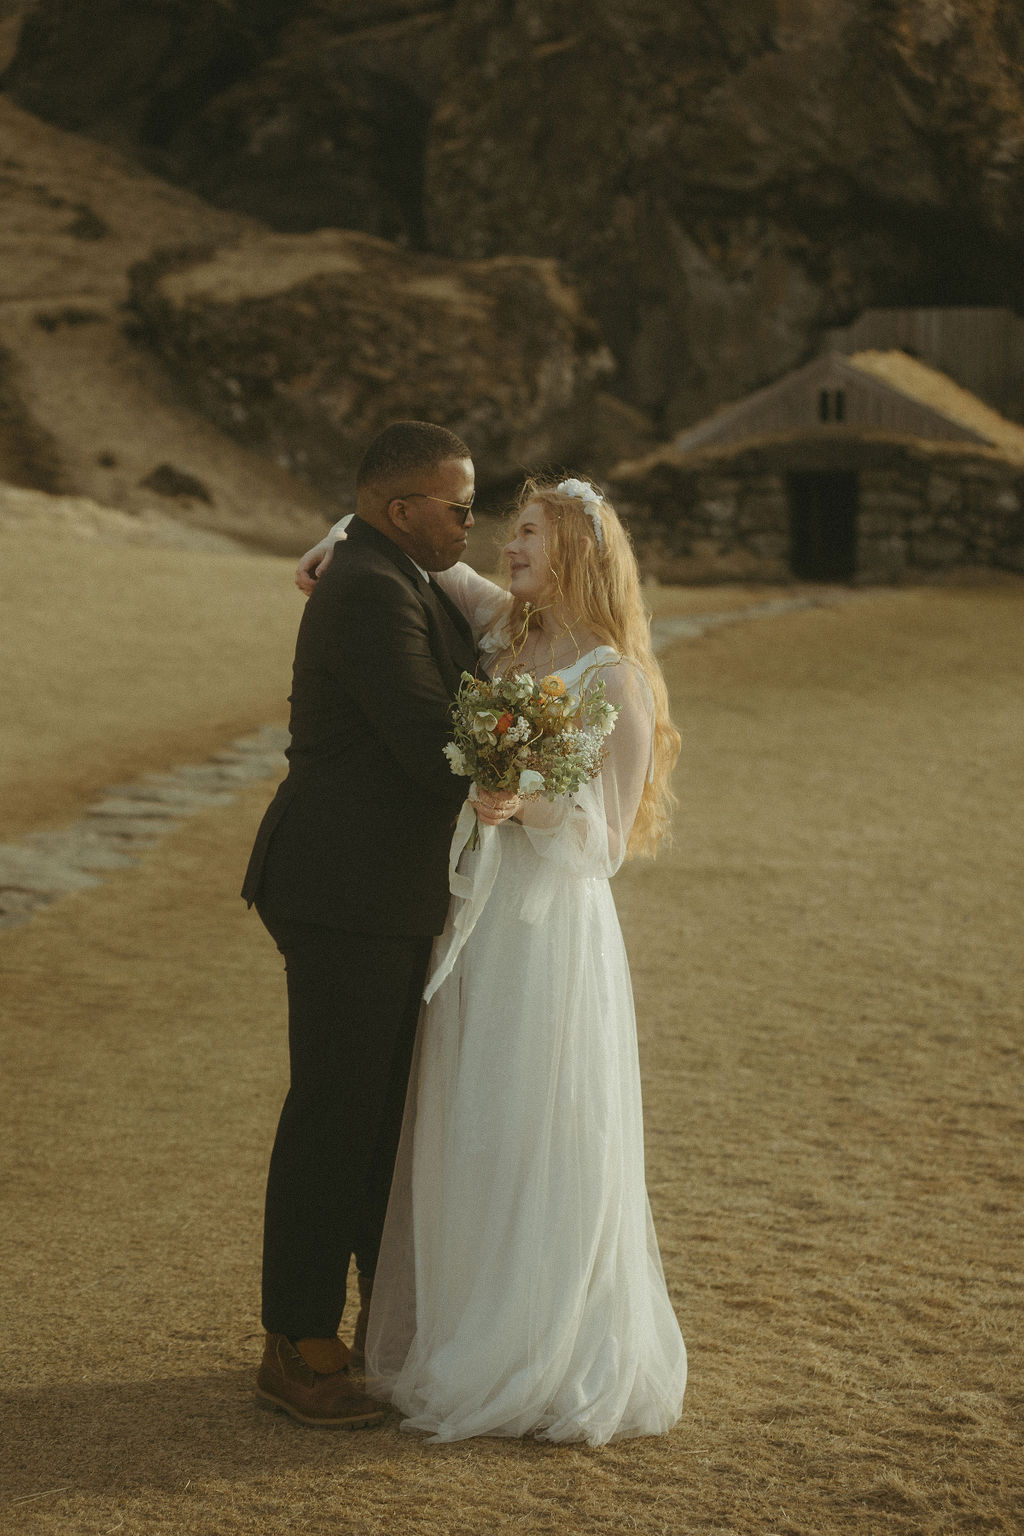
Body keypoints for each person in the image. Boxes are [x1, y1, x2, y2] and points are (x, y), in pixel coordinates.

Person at [302, 475, 686, 1443]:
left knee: (532, 1120)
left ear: (580, 556)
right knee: (463, 1121)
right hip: (470, 916)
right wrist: (337, 535)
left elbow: (604, 846)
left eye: (530, 536)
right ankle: (458, 1329)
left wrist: (527, 798)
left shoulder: (611, 678)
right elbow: (401, 553)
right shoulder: (500, 633)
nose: (508, 550)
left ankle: (536, 1346)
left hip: (549, 931)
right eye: (510, 531)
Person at [241, 420, 477, 1428]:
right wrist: (535, 754)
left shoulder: (391, 570)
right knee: (336, 1114)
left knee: (376, 1116)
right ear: (400, 508)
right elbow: (431, 747)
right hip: (341, 889)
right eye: (459, 504)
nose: (471, 519)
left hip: (377, 890)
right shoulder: (373, 589)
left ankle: (367, 1325)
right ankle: (296, 1342)